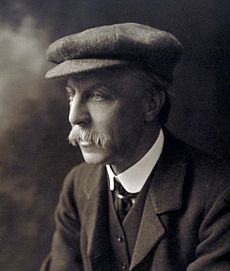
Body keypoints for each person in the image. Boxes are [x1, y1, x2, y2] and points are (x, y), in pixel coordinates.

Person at [40, 23, 230, 271]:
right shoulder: (77, 185)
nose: (74, 117)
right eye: (71, 94)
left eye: (98, 95)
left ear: (150, 104)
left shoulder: (218, 195)